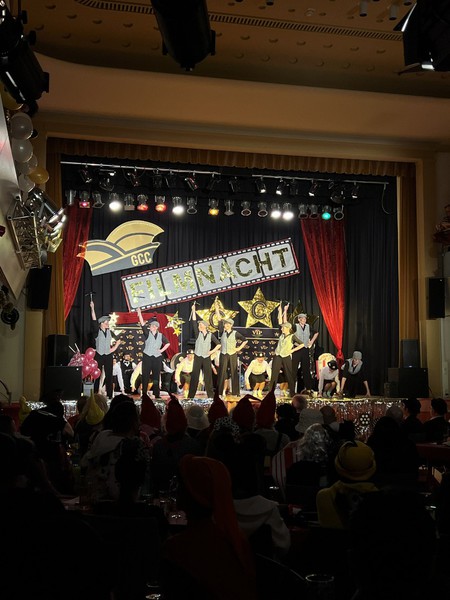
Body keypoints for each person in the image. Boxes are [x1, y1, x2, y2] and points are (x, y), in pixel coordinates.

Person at [215, 298, 248, 397]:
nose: (226, 325)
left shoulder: (235, 333)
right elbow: (219, 319)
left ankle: (236, 392)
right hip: (223, 354)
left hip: (232, 354)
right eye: (225, 324)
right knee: (222, 373)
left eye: (228, 324)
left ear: (231, 325)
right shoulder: (222, 331)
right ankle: (219, 392)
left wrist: (238, 348)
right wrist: (217, 308)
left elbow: (245, 340)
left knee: (234, 372)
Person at [268, 308, 304, 398]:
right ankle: (270, 392)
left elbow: (302, 344)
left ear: (288, 328)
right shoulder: (281, 335)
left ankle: (292, 393)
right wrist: (282, 311)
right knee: (274, 374)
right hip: (278, 355)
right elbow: (281, 321)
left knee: (289, 374)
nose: (281, 328)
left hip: (286, 356)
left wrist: (293, 350)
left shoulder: (292, 336)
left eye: (283, 327)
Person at [90, 299, 122, 399]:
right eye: (106, 322)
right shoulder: (97, 331)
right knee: (97, 375)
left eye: (108, 321)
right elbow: (94, 319)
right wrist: (92, 308)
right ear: (102, 323)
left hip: (108, 355)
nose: (108, 323)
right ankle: (95, 394)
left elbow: (118, 340)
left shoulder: (110, 332)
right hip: (99, 355)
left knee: (109, 376)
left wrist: (113, 349)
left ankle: (109, 395)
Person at [188, 302, 221, 399]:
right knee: (195, 376)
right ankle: (191, 396)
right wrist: (193, 310)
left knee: (208, 377)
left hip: (206, 357)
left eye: (201, 324)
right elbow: (194, 322)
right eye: (199, 325)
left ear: (205, 326)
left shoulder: (211, 335)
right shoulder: (198, 333)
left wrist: (211, 352)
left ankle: (211, 396)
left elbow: (219, 344)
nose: (199, 326)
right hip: (198, 356)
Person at [136, 308, 170, 400]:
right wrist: (139, 313)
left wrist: (161, 350)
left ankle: (156, 393)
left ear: (155, 327)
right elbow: (142, 324)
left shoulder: (161, 335)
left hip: (157, 358)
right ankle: (144, 393)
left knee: (156, 376)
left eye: (151, 326)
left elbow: (168, 343)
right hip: (147, 356)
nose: (150, 327)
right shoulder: (147, 333)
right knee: (145, 375)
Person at [290, 305, 319, 393]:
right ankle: (292, 389)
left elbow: (316, 333)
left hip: (305, 349)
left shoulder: (308, 326)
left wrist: (311, 341)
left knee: (306, 369)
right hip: (297, 349)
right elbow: (290, 335)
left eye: (305, 318)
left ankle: (308, 388)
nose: (304, 320)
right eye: (302, 318)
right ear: (299, 319)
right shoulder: (295, 326)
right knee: (294, 369)